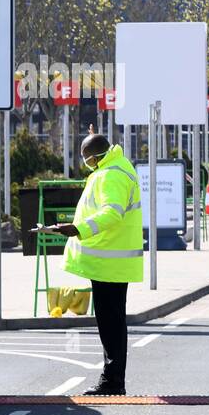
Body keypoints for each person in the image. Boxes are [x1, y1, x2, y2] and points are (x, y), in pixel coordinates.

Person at [45, 133, 143, 396]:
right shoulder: (118, 166)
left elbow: (112, 212)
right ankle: (113, 380)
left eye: (87, 158)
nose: (86, 163)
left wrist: (78, 229)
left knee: (110, 324)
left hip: (109, 261)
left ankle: (112, 382)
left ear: (95, 157)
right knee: (112, 322)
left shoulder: (112, 174)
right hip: (110, 260)